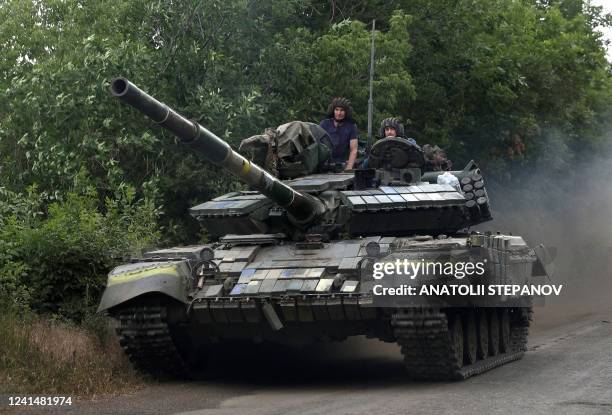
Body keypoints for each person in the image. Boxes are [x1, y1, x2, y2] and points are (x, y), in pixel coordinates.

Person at [319, 97, 358, 170]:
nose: (339, 113)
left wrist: (348, 168)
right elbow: (316, 144)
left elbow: (354, 150)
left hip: (341, 164)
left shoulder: (351, 126)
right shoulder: (324, 124)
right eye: (336, 110)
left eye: (342, 110)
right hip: (323, 164)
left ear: (346, 112)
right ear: (333, 110)